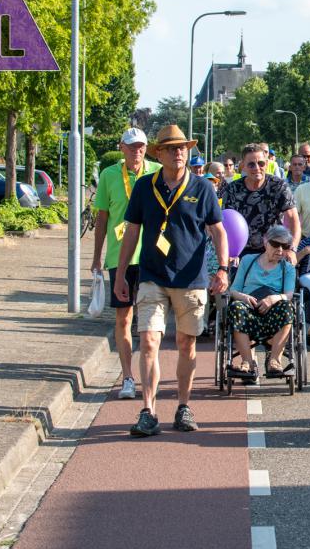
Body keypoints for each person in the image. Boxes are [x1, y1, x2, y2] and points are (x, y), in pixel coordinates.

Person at [114, 125, 229, 436]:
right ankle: (148, 411)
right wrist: (122, 273)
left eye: (183, 147)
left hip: (191, 279)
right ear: (159, 153)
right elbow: (132, 232)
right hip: (152, 276)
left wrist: (222, 269)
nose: (179, 152)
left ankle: (183, 405)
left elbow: (218, 230)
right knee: (149, 341)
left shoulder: (203, 188)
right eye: (172, 148)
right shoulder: (143, 187)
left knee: (185, 343)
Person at [91, 128, 162, 401]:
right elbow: (101, 219)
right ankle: (127, 377)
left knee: (150, 323)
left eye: (141, 146)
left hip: (152, 256)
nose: (137, 151)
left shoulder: (156, 171)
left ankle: (148, 375)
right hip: (120, 257)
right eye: (132, 146)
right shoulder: (110, 175)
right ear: (121, 147)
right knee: (124, 318)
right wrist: (97, 256)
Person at [227, 225, 297, 380]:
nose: (280, 250)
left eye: (285, 246)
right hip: (248, 306)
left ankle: (274, 361)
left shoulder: (288, 268)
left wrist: (274, 299)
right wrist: (244, 297)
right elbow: (233, 290)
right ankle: (247, 362)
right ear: (266, 242)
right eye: (276, 244)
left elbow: (289, 295)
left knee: (287, 307)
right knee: (235, 307)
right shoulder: (248, 260)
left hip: (273, 310)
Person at [221, 143, 300, 259]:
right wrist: (230, 252)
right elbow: (225, 223)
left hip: (273, 249)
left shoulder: (278, 185)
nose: (257, 168)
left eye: (261, 163)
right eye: (251, 164)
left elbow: (293, 218)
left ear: (267, 164)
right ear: (243, 165)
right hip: (241, 252)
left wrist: (292, 249)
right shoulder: (232, 189)